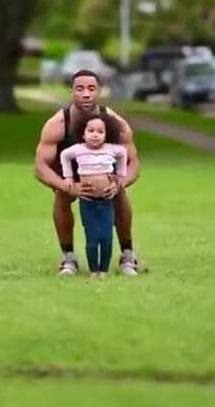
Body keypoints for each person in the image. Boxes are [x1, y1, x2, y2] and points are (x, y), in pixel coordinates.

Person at [34, 69, 139, 276]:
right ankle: (68, 258)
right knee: (62, 197)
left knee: (120, 196)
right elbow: (40, 166)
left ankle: (127, 255)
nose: (86, 94)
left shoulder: (115, 123)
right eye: (80, 89)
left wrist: (120, 183)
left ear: (99, 91)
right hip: (70, 173)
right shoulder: (58, 124)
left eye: (91, 89)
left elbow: (134, 162)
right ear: (71, 91)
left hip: (104, 173)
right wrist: (66, 185)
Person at [60, 113, 127, 279]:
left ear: (106, 134)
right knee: (92, 237)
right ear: (83, 134)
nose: (95, 135)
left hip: (106, 201)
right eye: (91, 131)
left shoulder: (112, 150)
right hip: (87, 201)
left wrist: (120, 176)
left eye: (100, 131)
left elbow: (123, 153)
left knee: (106, 236)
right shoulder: (78, 150)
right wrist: (68, 177)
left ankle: (103, 270)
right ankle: (93, 270)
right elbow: (64, 156)